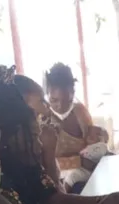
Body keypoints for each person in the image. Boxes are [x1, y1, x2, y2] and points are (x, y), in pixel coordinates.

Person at [0, 66, 119, 204]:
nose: (47, 109)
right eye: (43, 102)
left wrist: (106, 201)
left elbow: (54, 198)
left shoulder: (25, 160)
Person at [45, 63, 110, 194]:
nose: (60, 106)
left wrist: (102, 135)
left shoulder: (79, 111)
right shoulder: (42, 118)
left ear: (73, 94)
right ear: (47, 93)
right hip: (56, 173)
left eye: (67, 100)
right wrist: (77, 161)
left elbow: (93, 141)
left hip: (83, 171)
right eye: (54, 100)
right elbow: (43, 161)